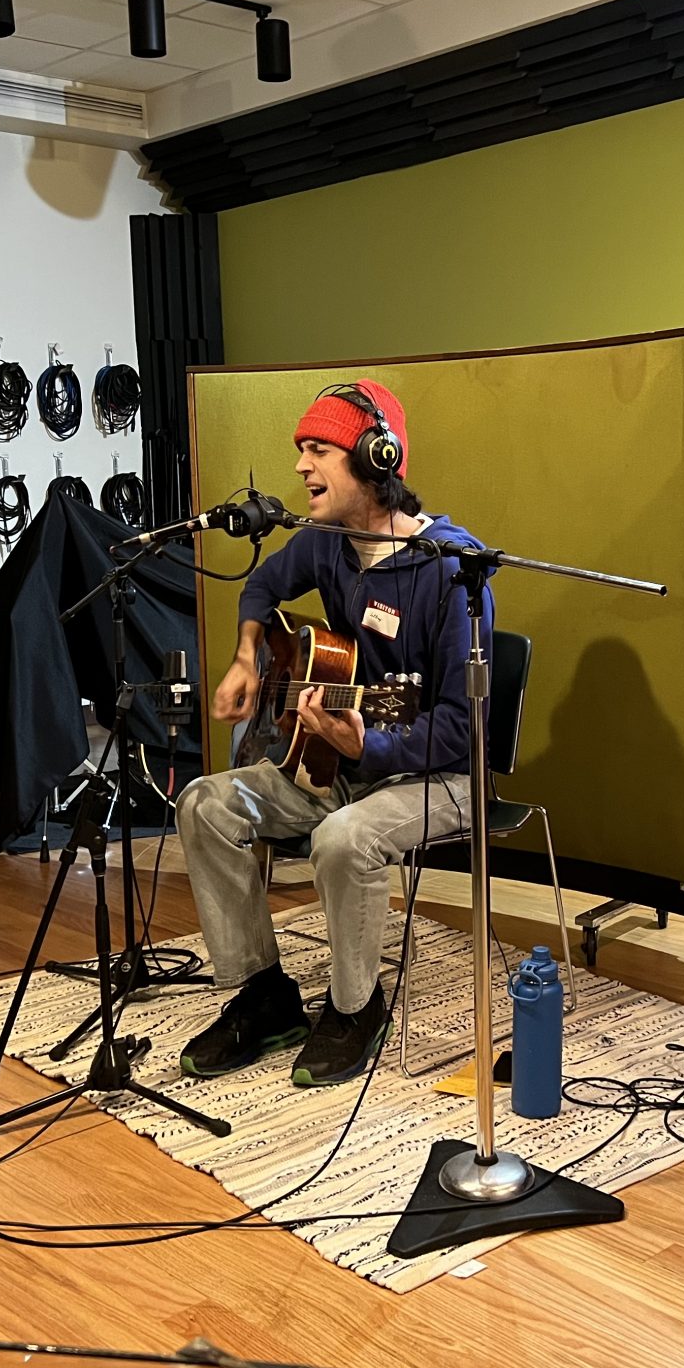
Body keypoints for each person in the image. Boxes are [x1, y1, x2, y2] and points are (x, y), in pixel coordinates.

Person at [176, 379, 487, 1087]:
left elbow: (460, 726)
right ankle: (265, 995)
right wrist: (248, 660)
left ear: (376, 459)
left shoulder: (452, 570)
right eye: (300, 451)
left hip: (439, 777)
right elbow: (258, 589)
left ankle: (355, 1008)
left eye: (318, 450)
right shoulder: (327, 546)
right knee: (204, 804)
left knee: (343, 837)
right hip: (346, 765)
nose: (300, 467)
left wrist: (366, 744)